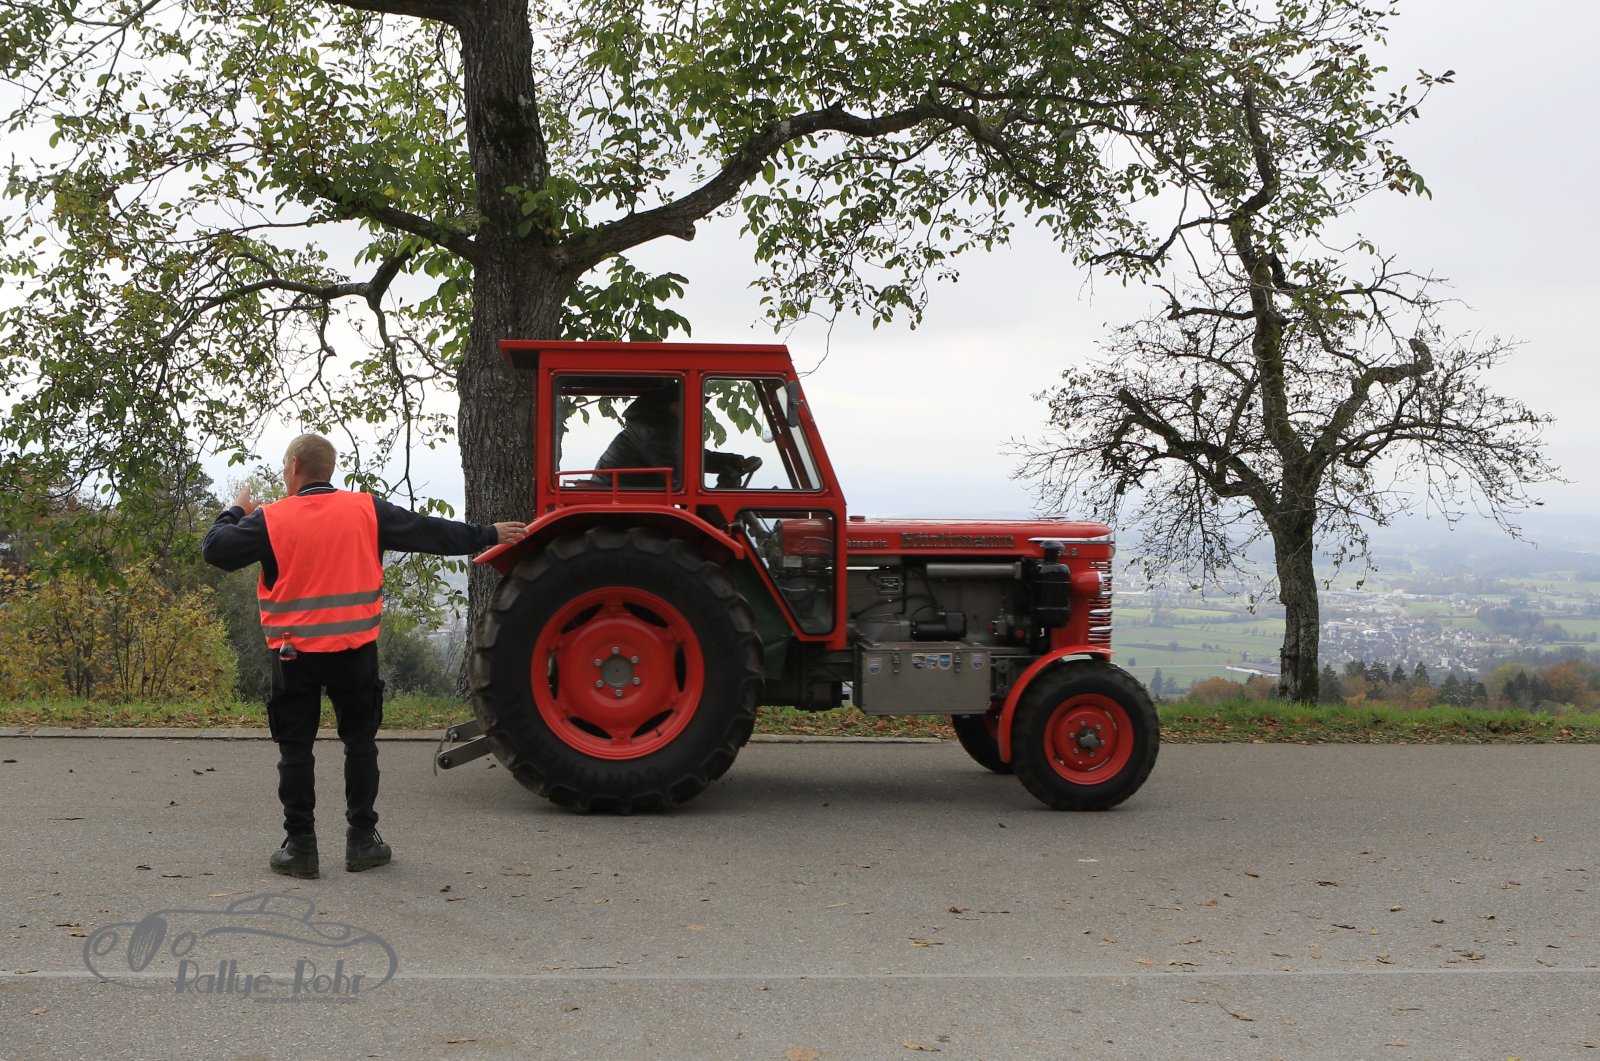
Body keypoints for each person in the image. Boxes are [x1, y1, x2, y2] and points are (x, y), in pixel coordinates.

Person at [202, 433, 527, 879]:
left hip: (293, 655)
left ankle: (301, 848)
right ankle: (362, 841)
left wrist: (237, 510)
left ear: (294, 467)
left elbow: (215, 550)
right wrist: (489, 534)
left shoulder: (271, 519)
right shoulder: (366, 510)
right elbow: (429, 531)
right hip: (355, 652)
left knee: (295, 751)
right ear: (329, 469)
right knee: (360, 746)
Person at [592, 386, 761, 488]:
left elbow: (691, 457)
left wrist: (735, 463)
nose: (698, 409)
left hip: (627, 492)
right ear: (674, 405)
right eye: (692, 402)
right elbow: (676, 476)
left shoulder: (658, 427)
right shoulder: (655, 432)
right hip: (622, 497)